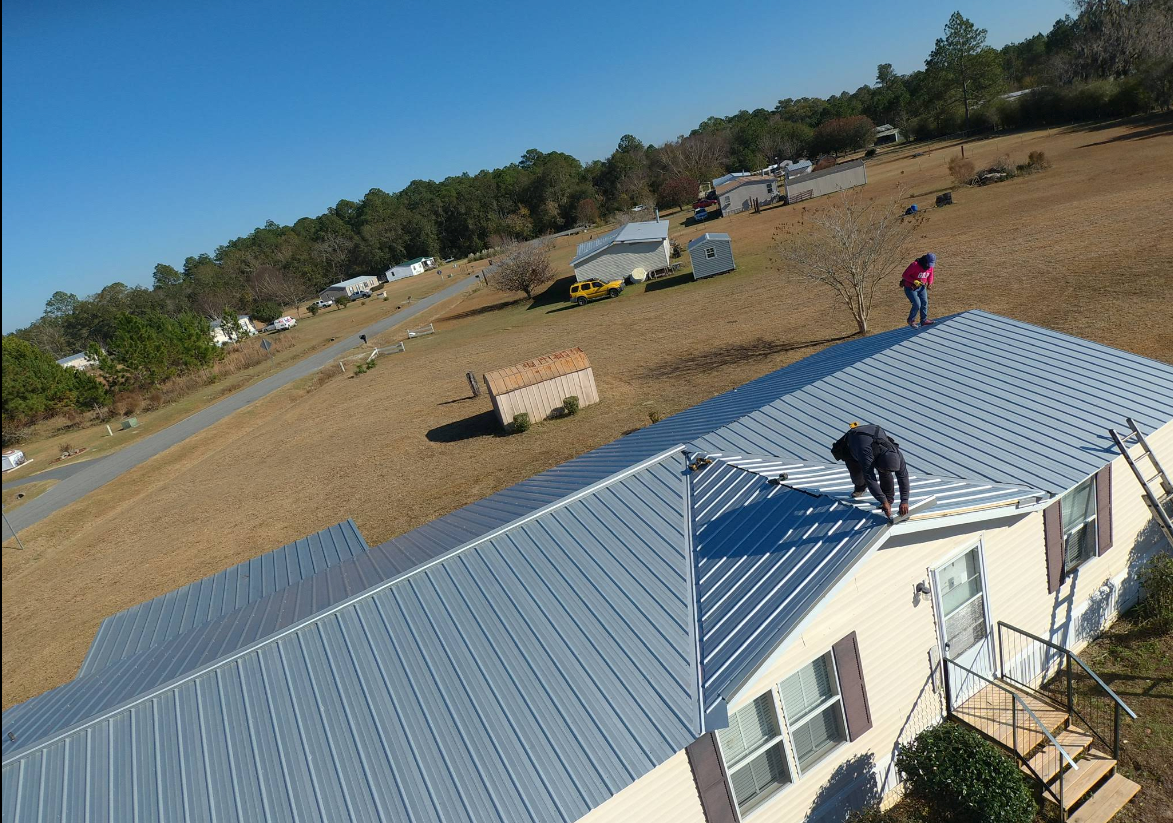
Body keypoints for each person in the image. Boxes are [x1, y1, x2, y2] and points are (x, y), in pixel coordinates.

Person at [831, 423, 910, 518]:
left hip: (873, 439)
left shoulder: (897, 454)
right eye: (882, 469)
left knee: (886, 474)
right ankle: (860, 487)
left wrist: (904, 501)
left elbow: (903, 477)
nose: (885, 472)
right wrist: (882, 501)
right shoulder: (866, 454)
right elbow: (870, 478)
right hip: (853, 443)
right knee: (858, 477)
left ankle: (889, 499)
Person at [901, 253, 936, 329]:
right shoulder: (915, 265)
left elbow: (930, 275)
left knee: (925, 302)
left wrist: (930, 283)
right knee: (917, 304)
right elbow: (904, 275)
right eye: (928, 263)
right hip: (911, 288)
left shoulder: (930, 267)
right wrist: (914, 281)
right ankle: (911, 320)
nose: (929, 266)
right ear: (925, 260)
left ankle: (924, 320)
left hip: (922, 287)